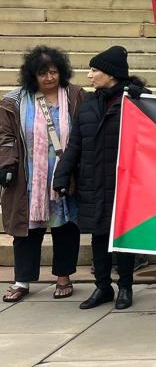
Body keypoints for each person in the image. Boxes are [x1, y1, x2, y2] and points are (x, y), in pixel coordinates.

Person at [52, 46, 149, 310]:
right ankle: (102, 287)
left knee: (124, 238)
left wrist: (145, 99)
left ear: (111, 74)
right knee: (98, 236)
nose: (90, 75)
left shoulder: (136, 102)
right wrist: (61, 175)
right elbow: (75, 145)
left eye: (95, 70)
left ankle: (125, 287)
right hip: (93, 181)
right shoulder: (87, 106)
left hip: (125, 182)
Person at [0, 47, 85, 302]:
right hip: (28, 178)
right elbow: (5, 137)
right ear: (31, 76)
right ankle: (22, 280)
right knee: (26, 230)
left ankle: (63, 276)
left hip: (65, 174)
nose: (49, 78)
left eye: (54, 71)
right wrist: (7, 164)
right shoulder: (14, 100)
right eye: (42, 73)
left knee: (65, 227)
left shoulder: (74, 95)